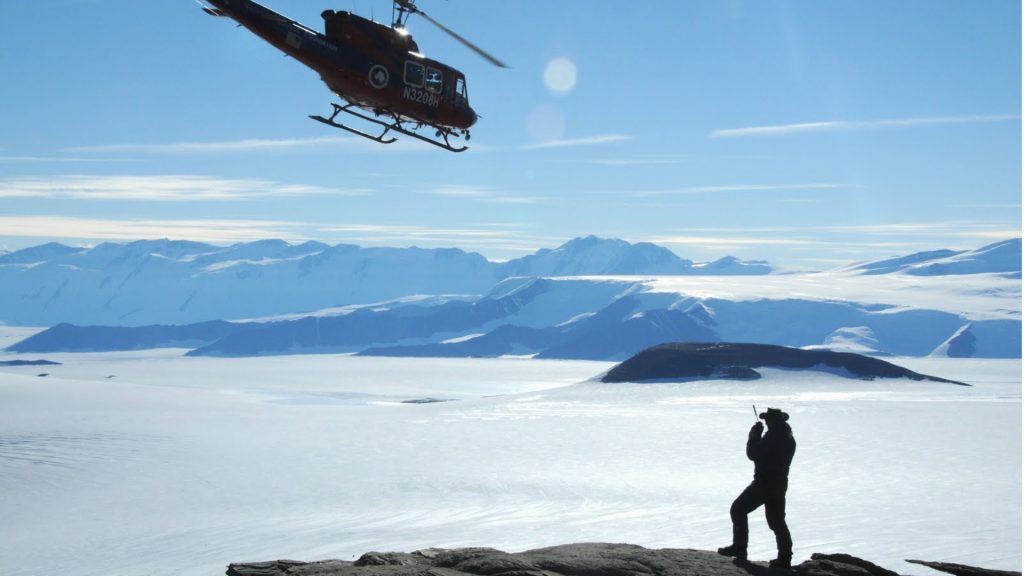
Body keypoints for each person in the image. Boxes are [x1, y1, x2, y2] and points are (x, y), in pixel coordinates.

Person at [718, 407, 796, 569]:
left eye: (768, 419)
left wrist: (753, 437)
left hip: (764, 483)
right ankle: (785, 558)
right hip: (780, 484)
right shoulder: (788, 437)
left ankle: (740, 548)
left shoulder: (773, 436)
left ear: (773, 421)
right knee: (777, 521)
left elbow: (754, 453)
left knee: (738, 509)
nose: (766, 421)